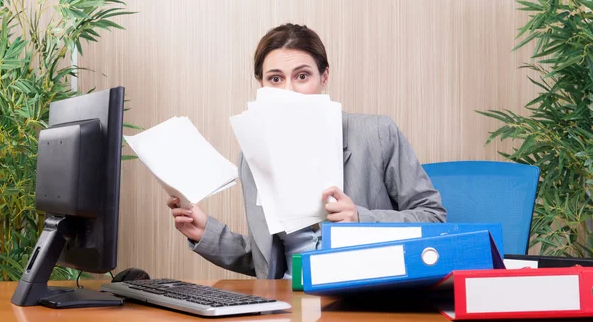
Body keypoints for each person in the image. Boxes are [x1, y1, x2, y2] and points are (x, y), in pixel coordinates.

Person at [167, 23, 446, 279]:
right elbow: (266, 260)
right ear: (261, 85)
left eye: (302, 76)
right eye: (275, 79)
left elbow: (433, 217)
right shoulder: (253, 155)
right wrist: (206, 232)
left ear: (324, 77)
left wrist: (361, 218)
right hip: (290, 302)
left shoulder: (377, 133)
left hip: (366, 296)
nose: (289, 91)